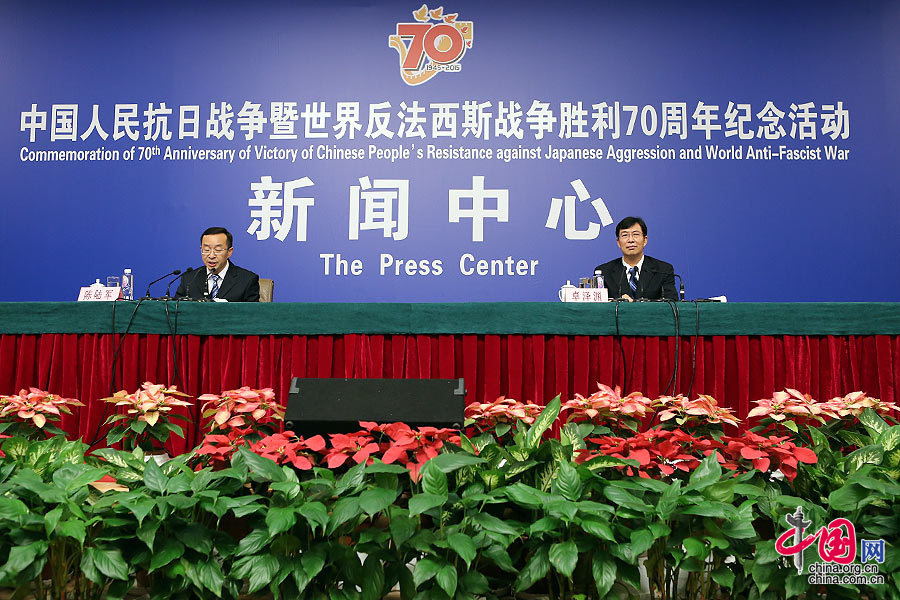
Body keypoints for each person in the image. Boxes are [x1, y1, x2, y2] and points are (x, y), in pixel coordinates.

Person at [594, 216, 677, 301]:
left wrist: (634, 304)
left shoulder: (663, 270)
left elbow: (671, 303)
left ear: (645, 240)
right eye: (625, 235)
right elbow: (598, 305)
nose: (630, 240)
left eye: (636, 235)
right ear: (618, 242)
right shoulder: (604, 272)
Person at [176, 227, 260, 302]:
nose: (211, 256)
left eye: (218, 250)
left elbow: (252, 313)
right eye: (206, 249)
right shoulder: (189, 279)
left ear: (229, 252)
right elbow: (177, 310)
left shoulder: (247, 280)